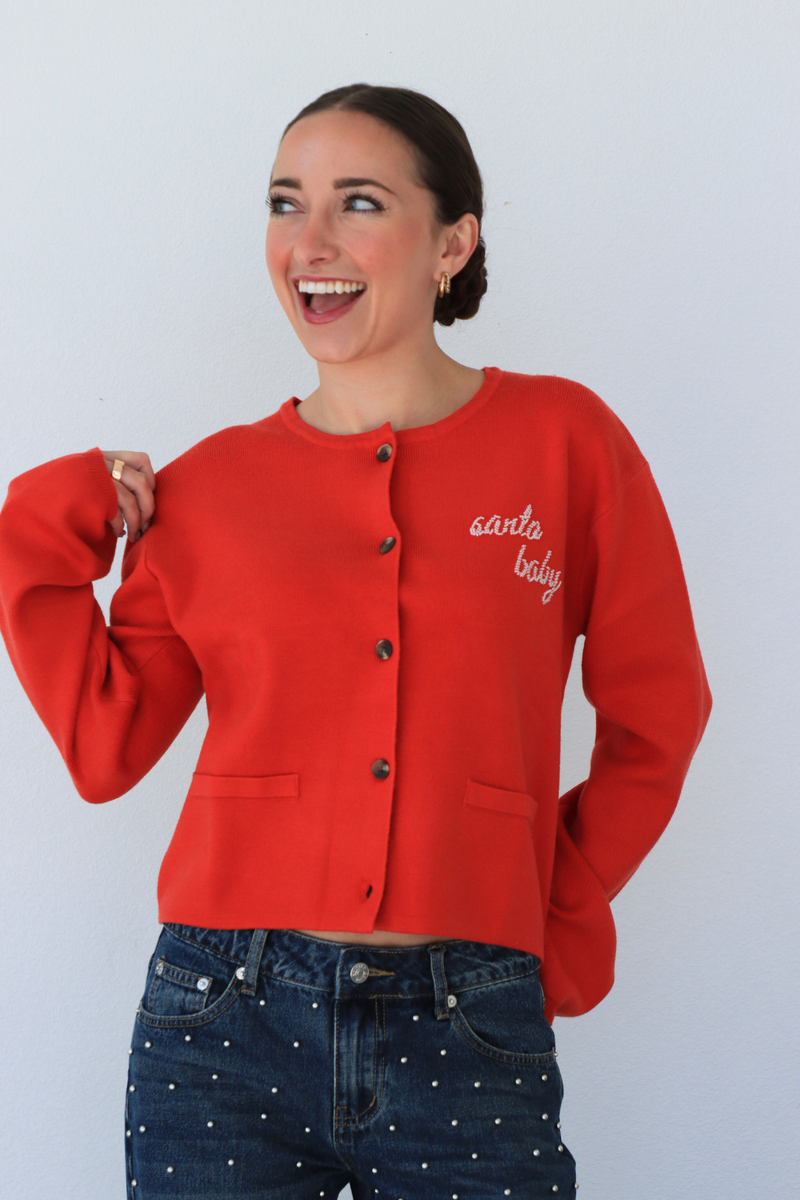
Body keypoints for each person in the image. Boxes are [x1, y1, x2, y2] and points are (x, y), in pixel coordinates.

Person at [0, 84, 711, 1198]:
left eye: (358, 203)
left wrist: (553, 904)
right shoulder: (209, 490)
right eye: (286, 203)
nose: (310, 242)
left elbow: (657, 712)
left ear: (452, 243)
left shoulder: (566, 444)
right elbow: (105, 745)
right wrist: (46, 523)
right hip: (217, 1020)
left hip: (467, 1021)